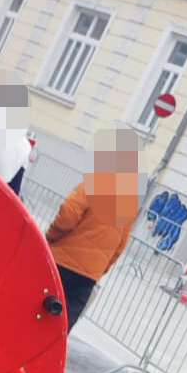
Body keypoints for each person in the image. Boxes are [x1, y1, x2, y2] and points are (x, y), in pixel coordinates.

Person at [45, 126, 141, 328]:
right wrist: (100, 268)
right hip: (88, 275)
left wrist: (51, 237)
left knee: (35, 311)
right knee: (61, 326)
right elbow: (120, 246)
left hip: (60, 262)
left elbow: (68, 214)